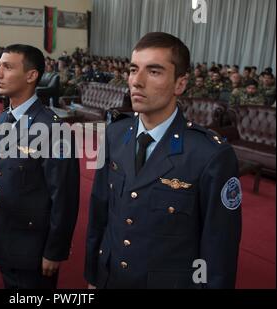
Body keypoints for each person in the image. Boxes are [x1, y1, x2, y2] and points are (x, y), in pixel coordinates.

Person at [85, 32, 242, 289]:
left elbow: (219, 246)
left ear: (180, 84)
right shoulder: (115, 134)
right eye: (134, 70)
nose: (137, 81)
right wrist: (93, 275)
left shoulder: (209, 155)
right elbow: (100, 211)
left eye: (154, 71)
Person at [0, 44, 80, 289]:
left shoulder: (53, 129)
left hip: (33, 246)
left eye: (7, 67)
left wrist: (55, 250)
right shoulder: (5, 117)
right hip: (6, 233)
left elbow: (64, 197)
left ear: (31, 75)